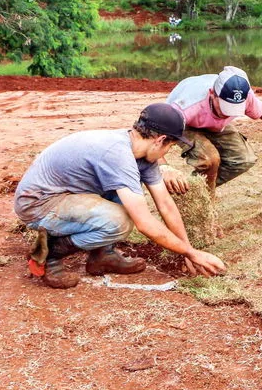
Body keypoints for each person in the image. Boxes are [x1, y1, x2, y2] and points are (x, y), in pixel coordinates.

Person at [14, 103, 228, 289]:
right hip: (39, 204)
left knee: (129, 196)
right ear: (159, 140)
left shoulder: (141, 155)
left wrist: (187, 251)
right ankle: (49, 254)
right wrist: (193, 253)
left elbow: (165, 204)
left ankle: (102, 256)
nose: (167, 153)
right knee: (121, 222)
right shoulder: (118, 155)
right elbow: (144, 223)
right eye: (170, 146)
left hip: (69, 194)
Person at [160, 66, 262, 196]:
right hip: (184, 124)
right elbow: (157, 133)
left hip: (213, 124)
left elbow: (261, 110)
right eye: (224, 107)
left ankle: (194, 191)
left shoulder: (242, 94)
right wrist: (164, 167)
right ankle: (200, 197)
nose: (227, 113)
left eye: (234, 108)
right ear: (212, 94)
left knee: (243, 159)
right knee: (210, 159)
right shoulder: (186, 105)